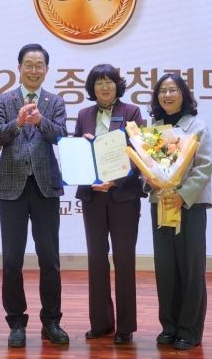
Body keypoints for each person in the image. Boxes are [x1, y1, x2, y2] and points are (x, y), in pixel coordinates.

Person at [0, 44, 69, 348]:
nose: (34, 70)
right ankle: (16, 322)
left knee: (50, 258)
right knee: (12, 259)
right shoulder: (3, 100)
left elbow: (61, 136)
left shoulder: (55, 101)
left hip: (46, 186)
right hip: (11, 187)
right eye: (28, 64)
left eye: (39, 65)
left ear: (46, 70)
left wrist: (40, 122)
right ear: (19, 68)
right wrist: (18, 122)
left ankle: (51, 321)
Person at [73, 64, 145, 345]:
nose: (104, 87)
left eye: (109, 82)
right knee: (96, 259)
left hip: (123, 196)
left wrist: (114, 180)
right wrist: (84, 148)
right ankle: (101, 323)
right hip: (93, 196)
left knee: (124, 259)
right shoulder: (84, 115)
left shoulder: (131, 113)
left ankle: (125, 327)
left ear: (118, 85)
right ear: (92, 88)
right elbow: (77, 154)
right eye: (99, 83)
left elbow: (139, 155)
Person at [147, 73, 212, 350]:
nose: (167, 95)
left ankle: (189, 329)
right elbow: (148, 166)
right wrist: (150, 180)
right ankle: (169, 326)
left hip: (190, 205)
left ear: (184, 94)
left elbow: (204, 168)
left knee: (190, 268)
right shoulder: (154, 129)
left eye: (173, 90)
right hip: (161, 204)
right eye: (162, 91)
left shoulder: (197, 127)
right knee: (165, 268)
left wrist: (182, 194)